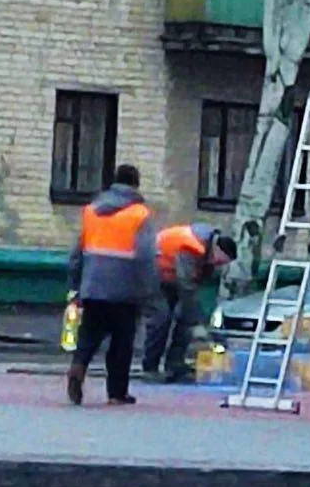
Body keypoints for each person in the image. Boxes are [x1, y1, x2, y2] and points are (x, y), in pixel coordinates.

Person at [65, 164, 156, 407]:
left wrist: (75, 286)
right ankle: (116, 393)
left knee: (89, 335)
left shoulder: (92, 210)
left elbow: (77, 253)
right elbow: (146, 256)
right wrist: (149, 290)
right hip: (125, 289)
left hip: (92, 285)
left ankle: (78, 367)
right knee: (122, 341)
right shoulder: (140, 214)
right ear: (136, 184)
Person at [143, 221, 237, 382]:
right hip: (153, 274)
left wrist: (201, 319)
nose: (218, 266)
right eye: (220, 262)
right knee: (161, 318)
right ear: (217, 250)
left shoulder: (208, 253)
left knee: (186, 320)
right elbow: (186, 285)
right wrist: (200, 321)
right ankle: (150, 368)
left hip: (172, 277)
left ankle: (175, 365)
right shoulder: (191, 248)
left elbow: (199, 289)